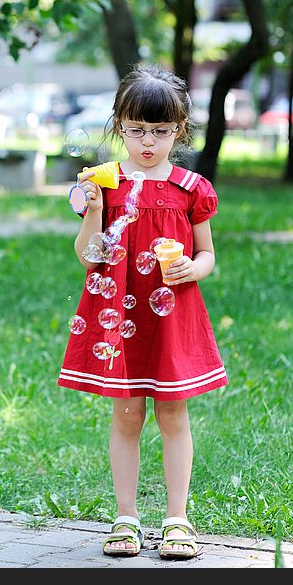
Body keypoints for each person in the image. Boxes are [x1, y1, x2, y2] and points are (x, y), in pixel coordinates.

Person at [58, 65, 228, 559]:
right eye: (135, 130)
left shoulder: (190, 187)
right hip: (119, 309)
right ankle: (126, 517)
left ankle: (177, 518)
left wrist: (192, 271)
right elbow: (88, 254)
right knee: (127, 414)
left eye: (160, 131)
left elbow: (207, 254)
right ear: (118, 125)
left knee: (173, 412)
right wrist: (92, 208)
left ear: (179, 129)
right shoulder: (103, 186)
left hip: (170, 311)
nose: (147, 142)